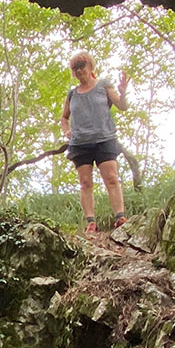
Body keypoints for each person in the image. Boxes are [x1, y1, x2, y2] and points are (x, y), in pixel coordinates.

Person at [60, 51, 130, 233]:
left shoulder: (103, 85)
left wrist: (123, 93)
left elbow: (122, 106)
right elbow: (64, 117)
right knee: (85, 183)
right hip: (80, 143)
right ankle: (91, 222)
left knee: (111, 178)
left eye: (82, 65)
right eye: (75, 68)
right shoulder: (72, 94)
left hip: (104, 138)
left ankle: (120, 217)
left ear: (90, 66)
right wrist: (66, 130)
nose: (79, 70)